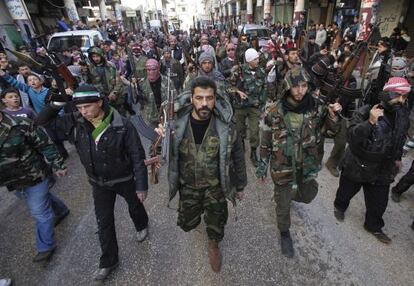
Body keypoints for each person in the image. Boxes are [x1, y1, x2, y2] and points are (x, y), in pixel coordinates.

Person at [36, 84, 149, 280]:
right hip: (99, 183)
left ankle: (142, 224)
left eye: (88, 106)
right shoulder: (75, 122)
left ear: (99, 102)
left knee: (135, 206)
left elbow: (137, 156)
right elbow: (41, 121)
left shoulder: (122, 123)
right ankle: (108, 261)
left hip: (124, 178)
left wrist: (141, 185)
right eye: (79, 108)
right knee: (104, 222)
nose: (83, 112)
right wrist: (58, 102)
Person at [155, 76, 247, 272]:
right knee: (187, 224)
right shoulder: (175, 125)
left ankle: (213, 244)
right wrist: (162, 140)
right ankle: (198, 219)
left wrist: (240, 186)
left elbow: (238, 156)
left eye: (209, 98)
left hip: (216, 189)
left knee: (216, 224)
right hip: (187, 186)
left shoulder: (226, 126)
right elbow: (156, 156)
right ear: (191, 99)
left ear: (215, 99)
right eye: (199, 98)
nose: (204, 103)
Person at [257, 67, 341, 258]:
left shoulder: (316, 107)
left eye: (304, 86)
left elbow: (330, 131)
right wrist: (262, 167)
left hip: (307, 165)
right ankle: (284, 231)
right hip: (283, 167)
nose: (300, 91)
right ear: (287, 87)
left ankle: (287, 195)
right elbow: (265, 141)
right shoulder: (273, 111)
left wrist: (333, 116)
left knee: (308, 195)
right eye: (295, 86)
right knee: (283, 204)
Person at [333, 77, 411, 244]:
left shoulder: (402, 114)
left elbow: (399, 137)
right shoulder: (366, 111)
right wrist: (370, 122)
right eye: (398, 95)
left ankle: (373, 226)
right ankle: (340, 207)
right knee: (345, 192)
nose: (401, 100)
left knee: (379, 204)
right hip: (358, 164)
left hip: (383, 169)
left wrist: (397, 158)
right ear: (387, 93)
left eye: (404, 97)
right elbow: (351, 136)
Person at [0, 110, 68, 262]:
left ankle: (45, 247)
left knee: (39, 210)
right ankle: (61, 210)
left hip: (34, 176)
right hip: (11, 181)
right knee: (39, 199)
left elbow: (44, 144)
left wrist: (58, 164)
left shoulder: (20, 124)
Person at [232, 48, 267, 166]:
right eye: (255, 59)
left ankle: (253, 153)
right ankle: (240, 150)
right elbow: (227, 85)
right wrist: (237, 91)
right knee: (240, 131)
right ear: (249, 60)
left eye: (257, 58)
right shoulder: (239, 71)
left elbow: (264, 89)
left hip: (254, 107)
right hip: (240, 107)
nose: (258, 60)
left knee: (254, 131)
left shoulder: (261, 71)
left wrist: (262, 108)